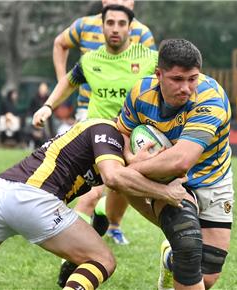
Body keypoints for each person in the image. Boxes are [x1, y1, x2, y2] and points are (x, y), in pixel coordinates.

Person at [0, 118, 188, 290]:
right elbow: (115, 178)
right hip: (32, 198)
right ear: (139, 143)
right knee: (102, 260)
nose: (150, 164)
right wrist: (167, 193)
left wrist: (173, 229)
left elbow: (127, 185)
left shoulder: (113, 156)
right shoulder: (107, 131)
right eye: (151, 155)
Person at [37, 4, 158, 247]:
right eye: (110, 23)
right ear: (101, 26)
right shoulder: (90, 60)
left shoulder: (148, 58)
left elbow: (170, 80)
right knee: (89, 195)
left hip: (131, 136)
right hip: (98, 135)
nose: (115, 29)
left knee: (122, 189)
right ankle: (75, 255)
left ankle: (107, 216)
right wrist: (48, 106)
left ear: (130, 28)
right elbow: (69, 82)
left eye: (121, 24)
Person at [117, 39, 235, 290]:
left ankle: (171, 260)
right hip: (167, 181)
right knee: (188, 243)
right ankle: (179, 252)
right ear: (158, 74)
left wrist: (128, 171)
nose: (186, 88)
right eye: (177, 79)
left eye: (192, 79)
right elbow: (122, 133)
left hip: (213, 178)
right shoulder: (141, 92)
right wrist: (130, 157)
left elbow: (181, 161)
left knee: (208, 275)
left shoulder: (210, 99)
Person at [53, 0, 156, 122]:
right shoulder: (84, 25)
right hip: (87, 108)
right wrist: (61, 81)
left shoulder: (142, 32)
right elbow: (60, 44)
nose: (119, 2)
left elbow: (153, 77)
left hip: (128, 112)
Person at [25, 82, 52, 149]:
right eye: (41, 89)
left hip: (45, 118)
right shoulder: (34, 98)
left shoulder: (49, 99)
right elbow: (30, 110)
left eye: (44, 90)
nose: (43, 91)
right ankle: (29, 142)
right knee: (28, 122)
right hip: (34, 116)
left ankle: (48, 142)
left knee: (47, 124)